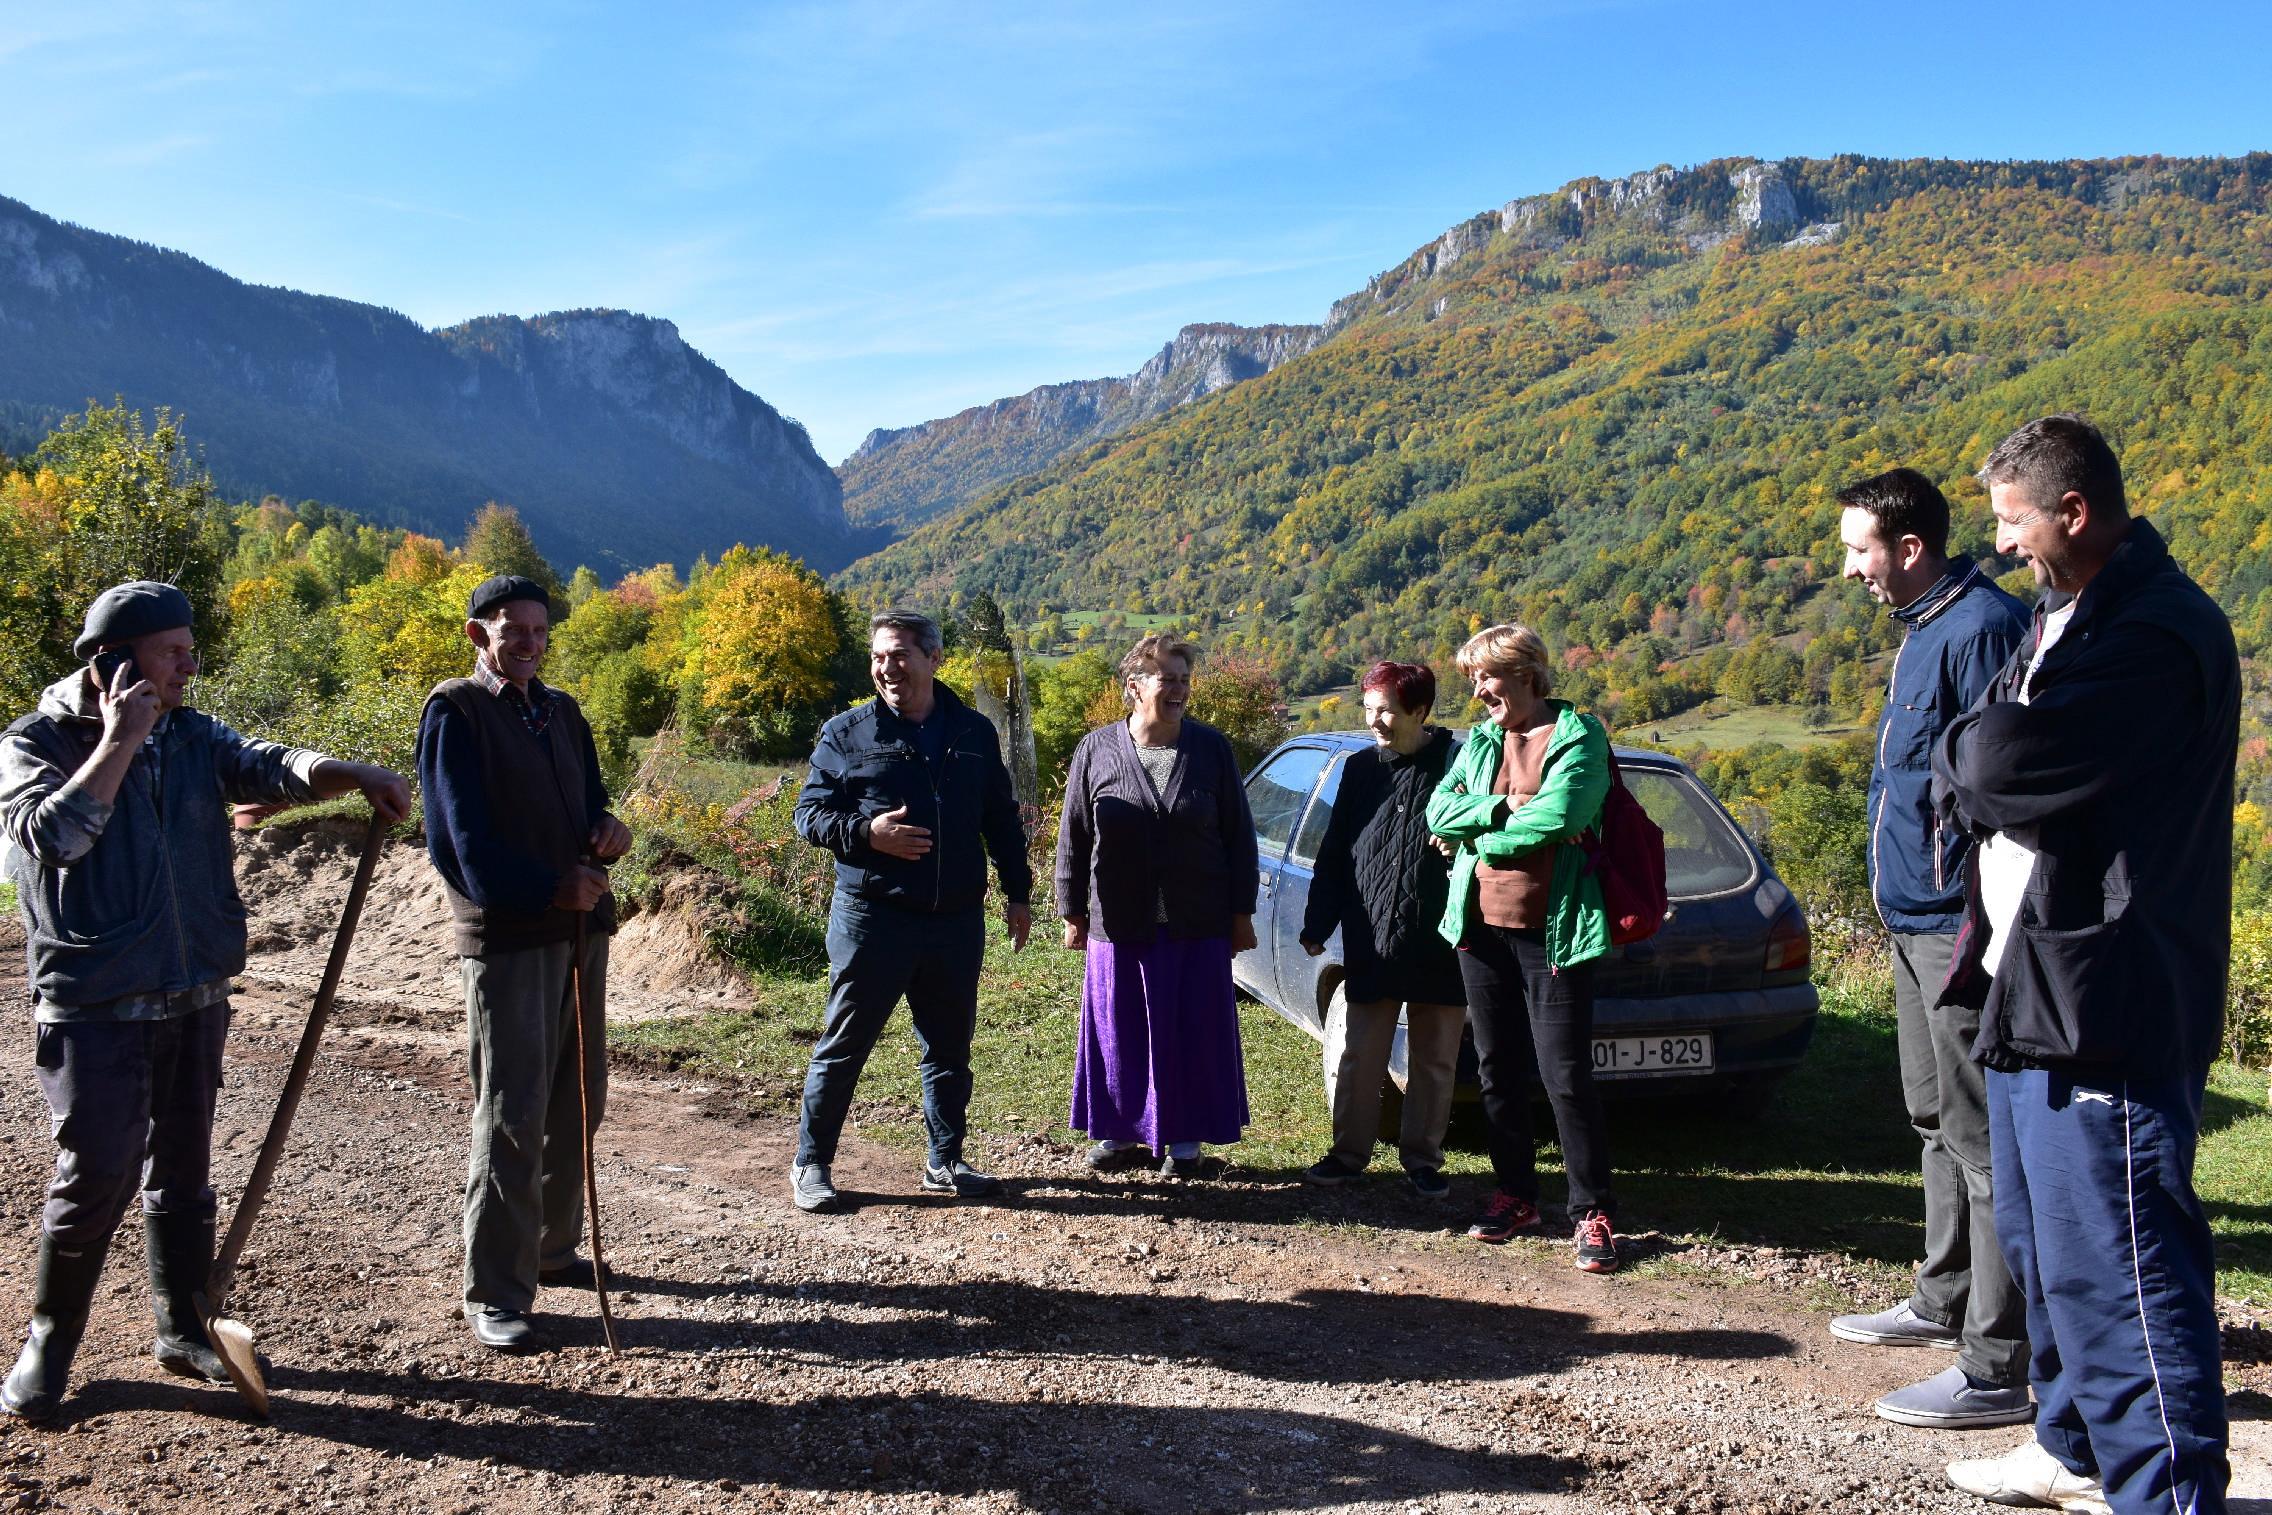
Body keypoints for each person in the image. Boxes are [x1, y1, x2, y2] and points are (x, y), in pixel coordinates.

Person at [0, 581, 409, 1419]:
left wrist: (348, 772)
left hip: (194, 992)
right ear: (115, 661)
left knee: (184, 1172)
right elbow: (58, 836)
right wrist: (119, 737)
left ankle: (185, 1326)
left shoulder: (189, 734)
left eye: (189, 647)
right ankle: (49, 1340)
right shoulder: (32, 741)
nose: (191, 663)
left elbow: (265, 762)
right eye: (173, 651)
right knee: (97, 1176)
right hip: (93, 1002)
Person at [1932, 416, 2236, 1515]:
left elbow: (1999, 754)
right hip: (2035, 988)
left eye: (2013, 523)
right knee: (2045, 1250)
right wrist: (1975, 754)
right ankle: (2071, 1452)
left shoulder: (2152, 634)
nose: (2003, 547)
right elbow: (1972, 745)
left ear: (2071, 512)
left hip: (2107, 995)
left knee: (2120, 1269)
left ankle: (2167, 1493)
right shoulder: (2067, 619)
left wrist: (1975, 756)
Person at [1827, 468, 2033, 1431]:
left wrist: (1970, 916)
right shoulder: (1922, 630)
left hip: (1956, 922)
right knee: (1931, 1113)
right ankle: (1941, 1296)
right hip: (1908, 916)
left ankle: (1996, 1358)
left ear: (1909, 548)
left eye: (1859, 548)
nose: (1850, 567)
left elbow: (1994, 784)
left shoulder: (1979, 626)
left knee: (1980, 1133)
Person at [417, 574, 632, 1354]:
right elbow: (459, 847)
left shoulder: (563, 713)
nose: (532, 643)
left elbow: (592, 807)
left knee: (581, 1097)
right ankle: (496, 1292)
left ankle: (551, 1249)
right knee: (513, 1110)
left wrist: (610, 833)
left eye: (541, 631)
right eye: (515, 630)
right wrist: (550, 885)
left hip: (579, 931)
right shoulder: (455, 711)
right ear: (479, 634)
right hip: (508, 940)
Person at [789, 610, 1033, 1214]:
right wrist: (868, 833)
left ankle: (944, 1160)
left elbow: (1000, 819)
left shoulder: (974, 733)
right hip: (875, 918)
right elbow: (809, 816)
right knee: (845, 1043)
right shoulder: (846, 733)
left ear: (933, 658)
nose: (886, 667)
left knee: (949, 1047)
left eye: (899, 654)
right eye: (878, 656)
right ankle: (811, 1164)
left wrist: (1019, 891)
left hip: (954, 920)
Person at [1426, 624, 1620, 1274]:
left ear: (1527, 672)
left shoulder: (1579, 737)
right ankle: (1516, 1194)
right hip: (1479, 930)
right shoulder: (1480, 740)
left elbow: (1563, 816)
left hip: (1556, 933)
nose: (1479, 690)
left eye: (1489, 676)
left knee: (1566, 1076)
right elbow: (1436, 812)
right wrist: (1508, 811)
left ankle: (1591, 1211)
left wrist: (1483, 830)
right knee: (1496, 1071)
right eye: (1475, 678)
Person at [1058, 634, 1258, 1178]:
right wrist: (1072, 911)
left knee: (1192, 1029)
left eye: (1183, 678)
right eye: (1166, 677)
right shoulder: (1096, 750)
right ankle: (1120, 1135)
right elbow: (1074, 837)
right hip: (1119, 921)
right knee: (1118, 1028)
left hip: (1198, 921)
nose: (1178, 688)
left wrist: (1241, 914)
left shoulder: (1211, 749)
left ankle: (1185, 1145)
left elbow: (1240, 837)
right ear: (1134, 688)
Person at [1297, 660, 1466, 1200]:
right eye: (1369, 708)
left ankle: (1422, 1160)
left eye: (1387, 710)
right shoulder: (1360, 769)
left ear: (1420, 710)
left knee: (1434, 1060)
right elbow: (1336, 850)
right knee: (1358, 1052)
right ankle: (1348, 1155)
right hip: (1371, 936)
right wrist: (1317, 921)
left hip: (1441, 939)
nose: (1375, 721)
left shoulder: (1459, 766)